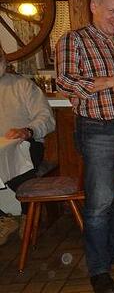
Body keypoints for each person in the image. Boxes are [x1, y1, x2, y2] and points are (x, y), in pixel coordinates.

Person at [55, 0, 114, 292]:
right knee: (100, 201)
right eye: (112, 11)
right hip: (98, 128)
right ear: (94, 6)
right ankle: (98, 269)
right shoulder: (74, 39)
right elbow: (66, 83)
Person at [0, 46, 56, 243]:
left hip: (26, 144)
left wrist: (28, 130)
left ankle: (27, 214)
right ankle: (2, 218)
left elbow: (46, 118)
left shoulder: (22, 85)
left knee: (20, 168)